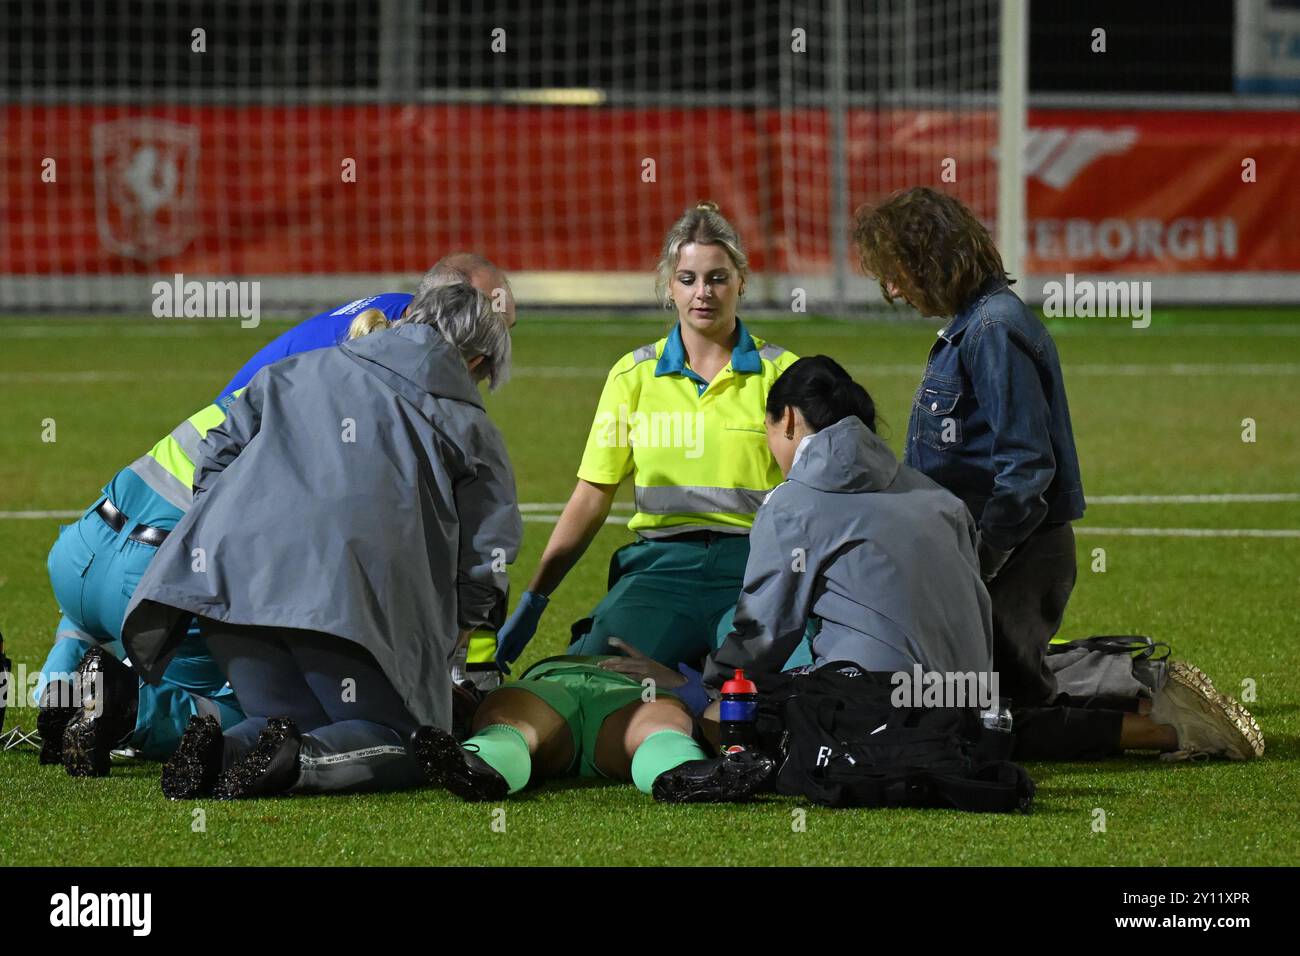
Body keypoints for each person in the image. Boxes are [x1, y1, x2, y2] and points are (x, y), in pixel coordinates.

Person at [610, 358, 1264, 763]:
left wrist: (694, 683)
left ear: (786, 422)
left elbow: (762, 637)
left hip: (884, 701)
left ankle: (1156, 729)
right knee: (972, 720)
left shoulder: (796, 501)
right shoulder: (930, 492)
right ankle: (1158, 725)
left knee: (741, 712)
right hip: (975, 690)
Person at [39, 254, 515, 777]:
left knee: (281, 716)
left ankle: (210, 748)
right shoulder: (470, 427)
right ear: (476, 362)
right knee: (409, 742)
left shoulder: (304, 365)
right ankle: (236, 746)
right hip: (325, 603)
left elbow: (218, 452)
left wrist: (229, 534)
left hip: (190, 577)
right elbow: (483, 566)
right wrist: (451, 649)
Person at [493, 201, 811, 675]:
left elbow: (815, 498)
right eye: (688, 279)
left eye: (718, 278)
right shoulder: (633, 375)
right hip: (660, 570)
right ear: (669, 287)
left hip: (753, 573)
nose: (703, 293)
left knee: (798, 688)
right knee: (585, 681)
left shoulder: (783, 373)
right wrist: (535, 599)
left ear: (741, 281)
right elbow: (591, 496)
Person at [409, 656, 775, 804]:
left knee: (513, 725)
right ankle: (683, 770)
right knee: (659, 730)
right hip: (614, 692)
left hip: (555, 685)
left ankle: (484, 765)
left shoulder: (563, 658)